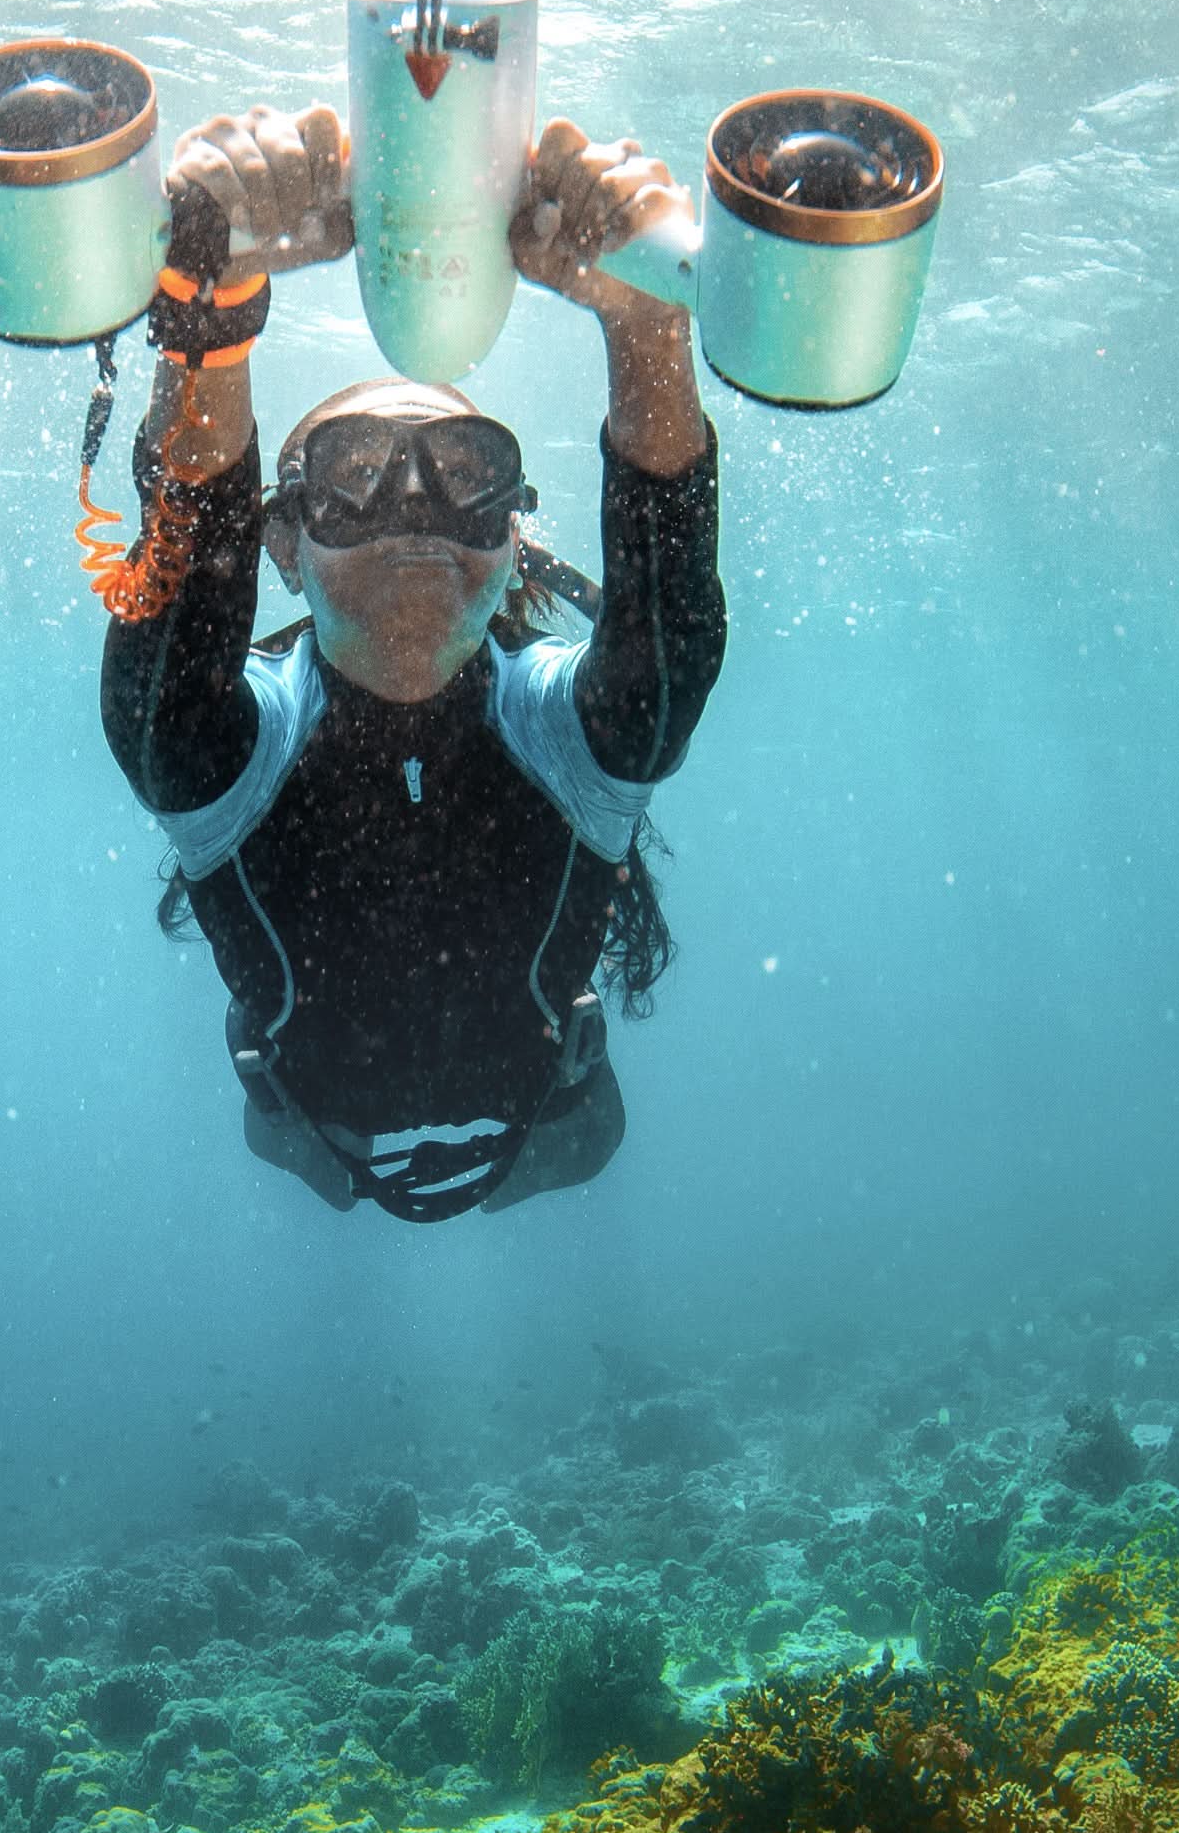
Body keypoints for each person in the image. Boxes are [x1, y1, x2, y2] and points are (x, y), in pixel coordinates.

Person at [96, 102, 727, 1220]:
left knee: (588, 1140)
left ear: (513, 545)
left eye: (468, 471)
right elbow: (175, 644)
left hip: (551, 1109)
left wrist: (648, 326)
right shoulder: (216, 745)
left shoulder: (569, 726)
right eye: (351, 474)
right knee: (299, 1153)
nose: (414, 510)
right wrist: (208, 304)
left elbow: (667, 639)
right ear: (280, 545)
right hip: (310, 1118)